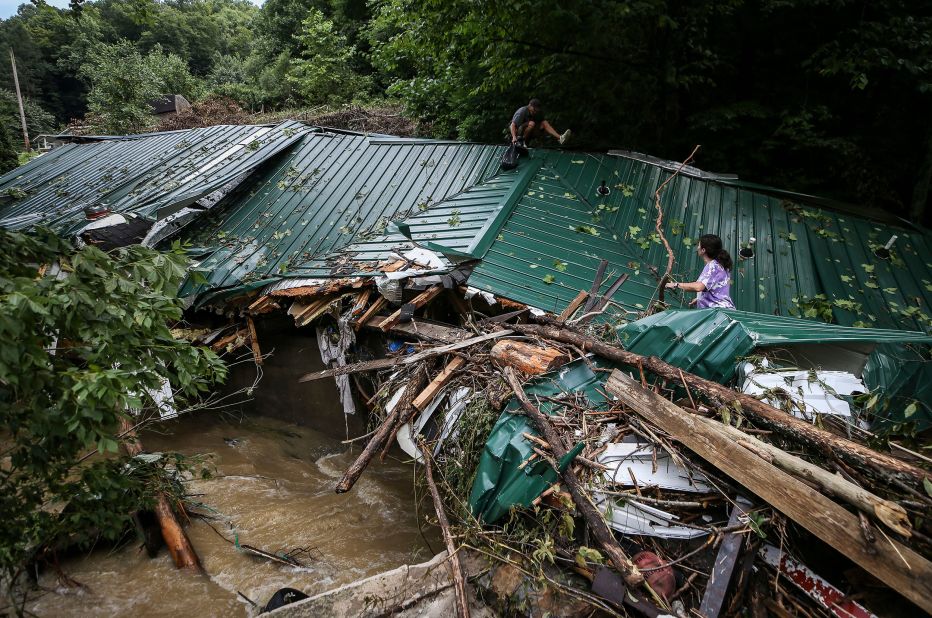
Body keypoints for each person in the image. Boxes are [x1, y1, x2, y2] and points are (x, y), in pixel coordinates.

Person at [665, 234, 735, 309]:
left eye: (699, 245)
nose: (697, 247)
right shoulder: (721, 265)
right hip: (725, 310)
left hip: (718, 312)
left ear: (703, 250)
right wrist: (701, 299)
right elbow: (716, 289)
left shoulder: (713, 266)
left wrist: (675, 285)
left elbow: (699, 287)